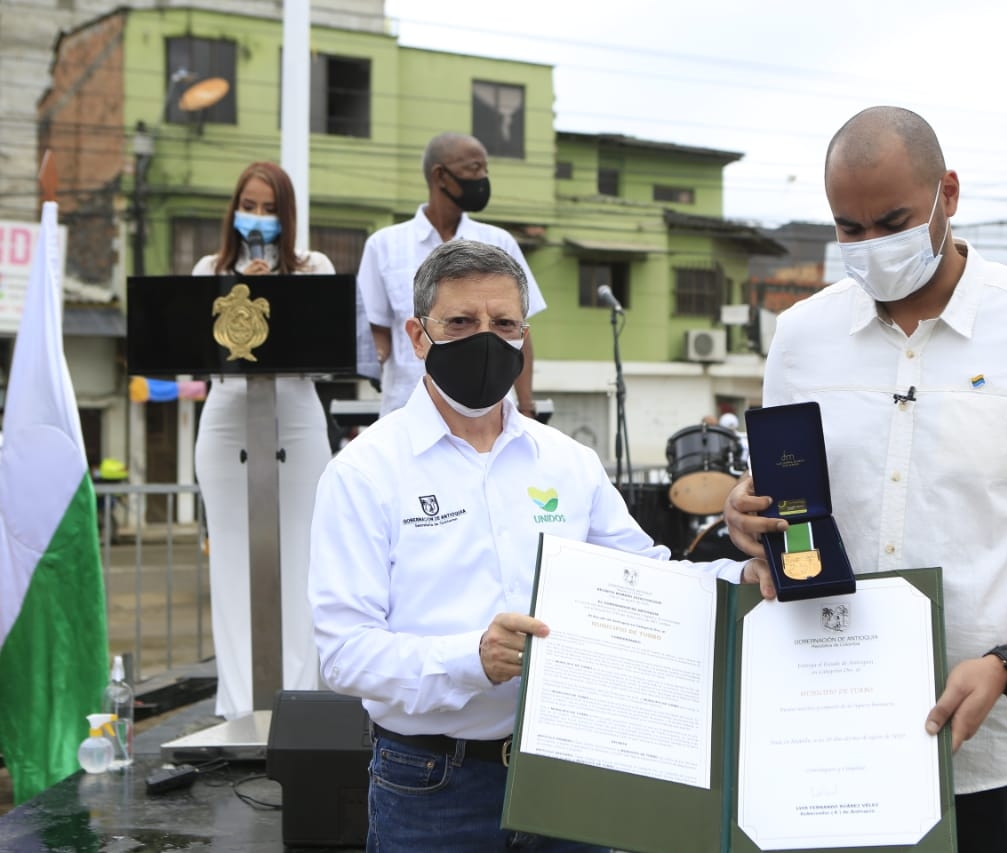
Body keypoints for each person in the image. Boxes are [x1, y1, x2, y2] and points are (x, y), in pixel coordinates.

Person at [723, 107, 1007, 853]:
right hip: (837, 739)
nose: (871, 245)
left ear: (947, 194)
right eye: (849, 229)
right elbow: (789, 505)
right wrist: (748, 517)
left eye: (892, 221)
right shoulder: (801, 338)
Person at [310, 240, 773, 852]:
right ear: (418, 336)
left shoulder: (568, 463)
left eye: (504, 324)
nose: (486, 339)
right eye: (461, 322)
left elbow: (647, 579)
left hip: (569, 771)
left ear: (523, 337)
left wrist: (738, 580)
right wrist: (473, 657)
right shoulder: (364, 472)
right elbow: (344, 653)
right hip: (432, 785)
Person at [193, 161, 333, 720]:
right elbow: (200, 352)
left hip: (295, 415)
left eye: (269, 208)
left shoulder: (314, 267)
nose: (257, 217)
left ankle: (299, 703)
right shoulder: (209, 269)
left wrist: (275, 293)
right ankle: (238, 706)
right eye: (248, 206)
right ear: (233, 210)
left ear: (287, 215)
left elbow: (323, 357)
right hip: (228, 415)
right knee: (230, 561)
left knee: (301, 558)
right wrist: (239, 291)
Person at [357, 132, 547, 418]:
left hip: (488, 415)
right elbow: (378, 330)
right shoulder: (384, 245)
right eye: (474, 168)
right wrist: (371, 360)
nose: (483, 178)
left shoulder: (500, 242)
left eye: (485, 169)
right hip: (409, 410)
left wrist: (527, 406)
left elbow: (518, 330)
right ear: (440, 175)